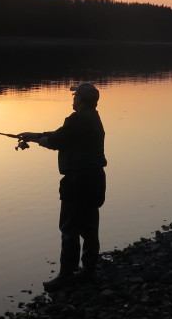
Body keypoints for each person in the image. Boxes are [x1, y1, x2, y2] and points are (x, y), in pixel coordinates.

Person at [17, 83, 107, 292]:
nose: (73, 99)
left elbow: (57, 141)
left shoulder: (77, 118)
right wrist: (34, 134)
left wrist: (42, 140)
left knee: (69, 227)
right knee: (90, 227)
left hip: (78, 180)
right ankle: (89, 270)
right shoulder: (93, 117)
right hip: (94, 179)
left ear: (81, 99)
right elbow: (64, 135)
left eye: (75, 96)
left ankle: (67, 275)